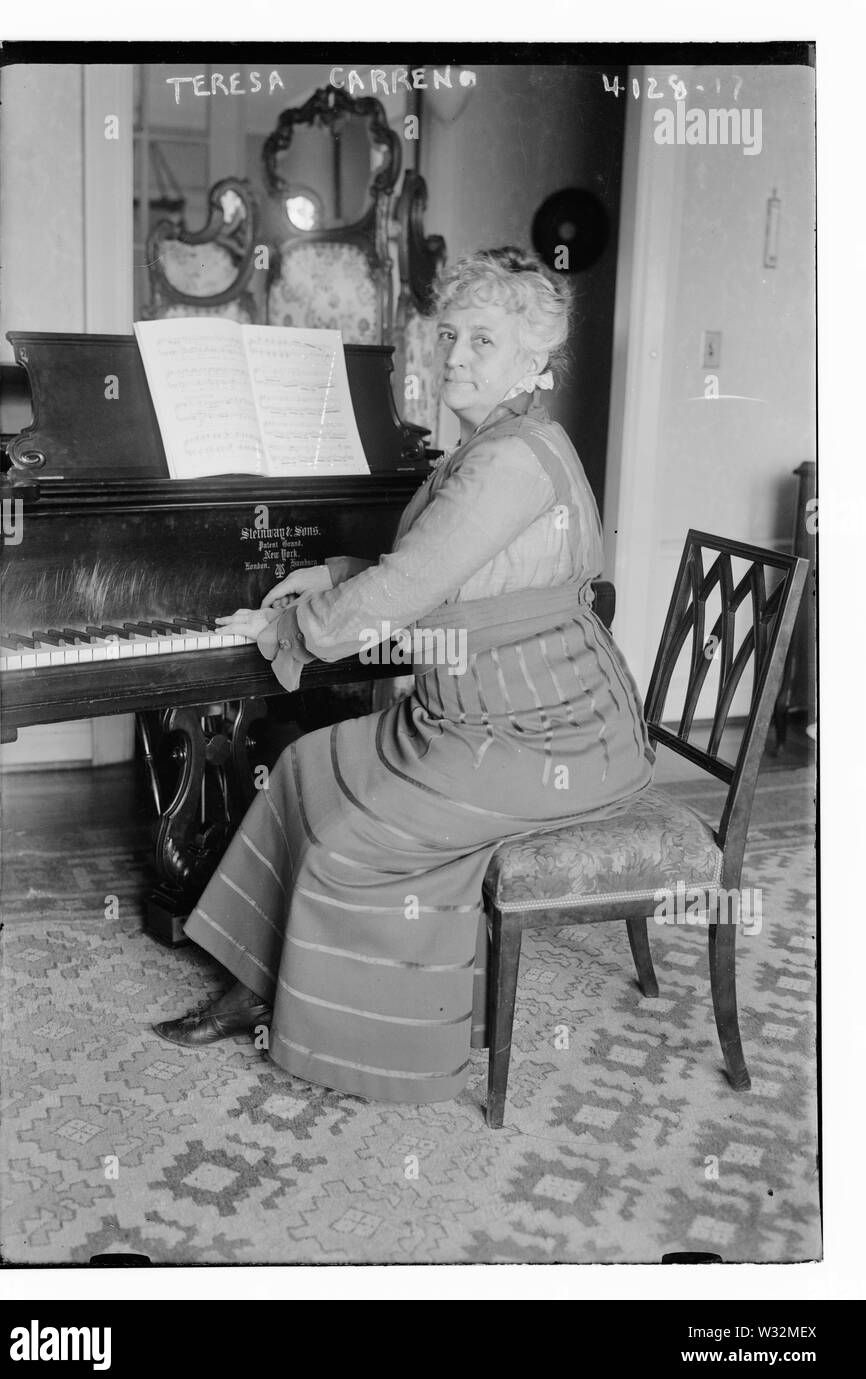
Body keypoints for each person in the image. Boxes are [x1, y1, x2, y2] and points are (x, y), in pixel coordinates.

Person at [155, 246, 655, 1104]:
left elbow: (412, 587)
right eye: (450, 334)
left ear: (535, 360)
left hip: (549, 728)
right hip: (477, 706)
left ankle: (357, 1043)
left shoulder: (509, 460)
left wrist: (289, 628)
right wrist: (335, 573)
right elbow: (436, 567)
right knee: (308, 767)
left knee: (361, 839)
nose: (455, 356)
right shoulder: (498, 443)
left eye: (483, 341)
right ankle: (253, 986)